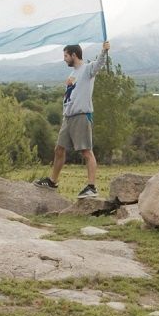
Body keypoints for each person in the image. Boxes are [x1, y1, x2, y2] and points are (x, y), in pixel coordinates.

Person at [34, 41, 109, 199]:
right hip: (68, 117)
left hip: (81, 116)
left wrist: (104, 50)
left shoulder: (87, 69)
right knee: (59, 149)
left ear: (74, 55)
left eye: (66, 55)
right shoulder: (72, 74)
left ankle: (91, 187)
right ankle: (52, 181)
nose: (64, 59)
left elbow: (100, 63)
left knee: (86, 151)